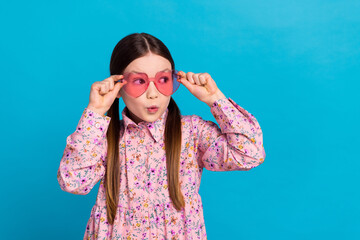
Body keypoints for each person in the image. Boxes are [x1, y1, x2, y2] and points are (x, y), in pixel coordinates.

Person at [57, 32, 266, 240]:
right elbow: (73, 182)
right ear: (118, 87)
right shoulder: (103, 139)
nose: (153, 93)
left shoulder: (191, 133)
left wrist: (215, 99)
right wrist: (94, 112)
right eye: (139, 81)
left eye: (163, 79)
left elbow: (250, 153)